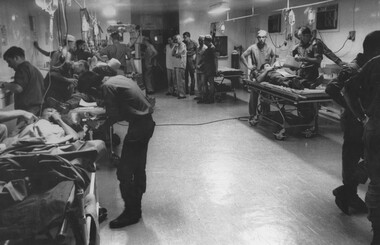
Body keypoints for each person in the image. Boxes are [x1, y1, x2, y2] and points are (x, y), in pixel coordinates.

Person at [77, 71, 155, 228]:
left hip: (138, 128)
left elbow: (114, 114)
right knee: (138, 167)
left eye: (90, 93)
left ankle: (132, 213)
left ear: (93, 87)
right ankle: (136, 207)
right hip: (145, 124)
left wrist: (100, 126)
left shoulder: (107, 86)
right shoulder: (116, 79)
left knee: (124, 173)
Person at [326, 31, 380, 216]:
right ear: (374, 49)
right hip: (355, 122)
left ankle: (347, 192)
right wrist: (353, 110)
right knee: (353, 157)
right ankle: (348, 193)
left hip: (365, 121)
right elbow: (332, 88)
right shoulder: (354, 68)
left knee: (362, 158)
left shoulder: (371, 66)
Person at [344, 30, 380, 245]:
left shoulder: (372, 64)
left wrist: (363, 117)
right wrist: (360, 116)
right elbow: (341, 88)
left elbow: (348, 88)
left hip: (373, 126)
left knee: (375, 179)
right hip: (373, 125)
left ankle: (376, 231)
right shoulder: (372, 63)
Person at [241, 30, 275, 123]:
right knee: (254, 95)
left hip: (266, 74)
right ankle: (252, 115)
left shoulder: (269, 48)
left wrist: (271, 67)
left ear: (266, 38)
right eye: (259, 37)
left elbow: (273, 56)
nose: (261, 39)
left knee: (265, 94)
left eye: (263, 37)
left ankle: (265, 113)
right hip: (256, 73)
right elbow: (242, 56)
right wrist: (249, 66)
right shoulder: (253, 48)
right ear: (257, 38)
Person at [1, 46, 45, 116]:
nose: (9, 65)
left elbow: (18, 88)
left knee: (23, 127)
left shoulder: (22, 68)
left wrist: (4, 85)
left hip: (28, 111)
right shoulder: (33, 69)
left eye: (9, 61)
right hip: (38, 109)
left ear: (16, 58)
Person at [198, 35, 217, 104]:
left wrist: (216, 69)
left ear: (207, 41)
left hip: (211, 69)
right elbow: (205, 58)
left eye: (204, 40)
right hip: (206, 68)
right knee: (204, 83)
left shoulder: (212, 48)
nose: (204, 42)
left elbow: (215, 59)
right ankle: (205, 98)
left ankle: (211, 99)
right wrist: (201, 65)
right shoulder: (208, 48)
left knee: (211, 84)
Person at [172, 34, 187, 99]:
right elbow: (172, 54)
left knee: (181, 80)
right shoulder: (176, 46)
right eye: (175, 39)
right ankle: (179, 93)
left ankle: (182, 94)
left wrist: (176, 54)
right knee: (178, 81)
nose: (175, 40)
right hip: (177, 65)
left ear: (180, 39)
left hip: (181, 65)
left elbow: (178, 54)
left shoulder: (183, 45)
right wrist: (175, 48)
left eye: (177, 39)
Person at [195, 35, 207, 102]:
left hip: (203, 69)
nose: (200, 41)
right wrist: (195, 65)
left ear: (204, 41)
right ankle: (199, 96)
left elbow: (206, 60)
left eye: (201, 40)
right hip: (197, 68)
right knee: (199, 83)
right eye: (199, 40)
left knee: (203, 83)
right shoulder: (197, 48)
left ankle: (204, 97)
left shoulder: (205, 48)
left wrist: (201, 65)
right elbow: (197, 57)